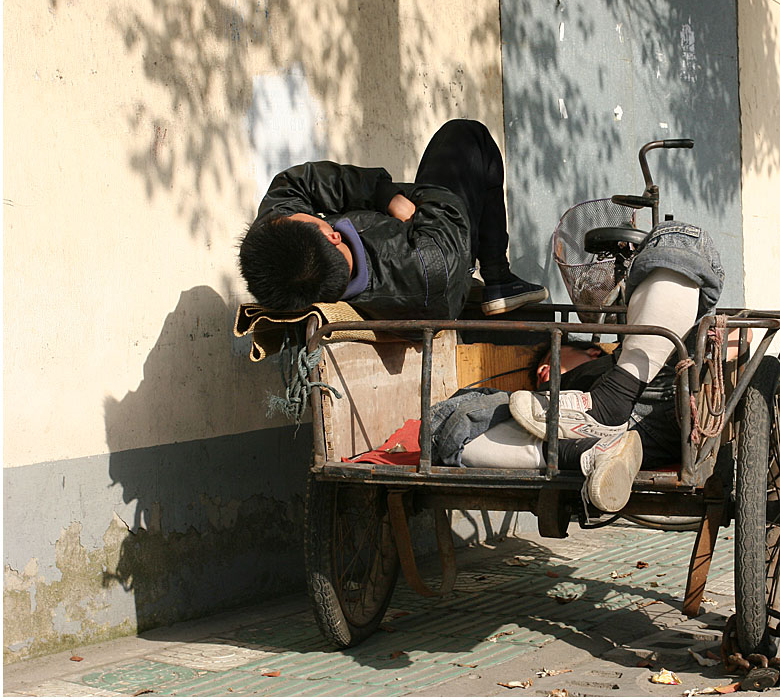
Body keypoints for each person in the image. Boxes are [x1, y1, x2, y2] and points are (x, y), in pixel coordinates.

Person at [443, 221, 725, 515]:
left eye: (552, 360)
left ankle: (613, 397)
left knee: (678, 236)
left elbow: (734, 340)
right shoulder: (533, 402)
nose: (543, 372)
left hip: (660, 393)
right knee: (453, 430)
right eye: (541, 373)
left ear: (591, 351)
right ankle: (590, 454)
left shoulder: (632, 351)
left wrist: (713, 345)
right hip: (621, 442)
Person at [238, 119, 547, 319]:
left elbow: (291, 187)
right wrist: (410, 205)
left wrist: (384, 195)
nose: (290, 212)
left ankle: (499, 279)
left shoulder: (302, 271)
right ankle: (499, 277)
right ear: (332, 235)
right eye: (299, 218)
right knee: (466, 136)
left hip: (417, 245)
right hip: (446, 253)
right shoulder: (426, 260)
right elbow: (450, 210)